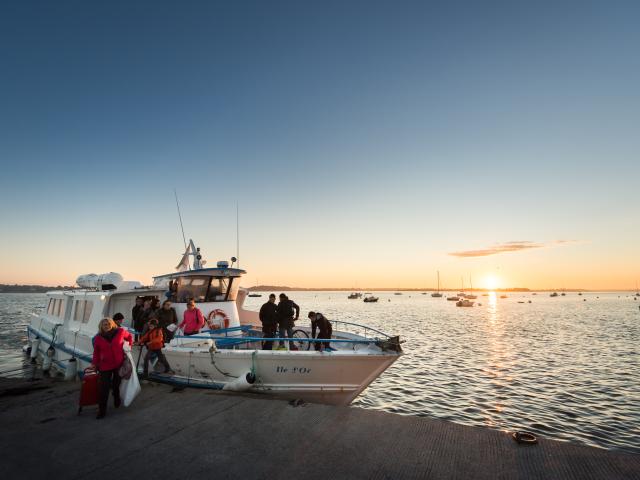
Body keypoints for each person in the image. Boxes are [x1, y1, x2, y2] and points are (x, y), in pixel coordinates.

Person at [91, 318, 133, 419]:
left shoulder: (121, 331)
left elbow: (130, 337)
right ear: (101, 326)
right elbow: (96, 353)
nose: (107, 326)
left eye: (109, 324)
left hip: (118, 364)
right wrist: (94, 364)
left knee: (116, 384)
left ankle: (116, 396)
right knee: (104, 388)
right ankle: (102, 410)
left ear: (112, 324)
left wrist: (129, 347)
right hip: (104, 366)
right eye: (104, 324)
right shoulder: (98, 338)